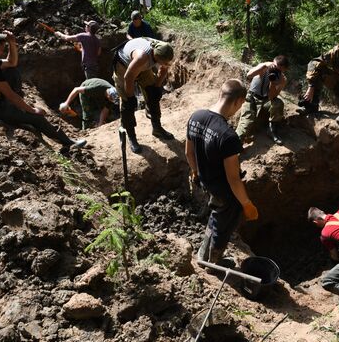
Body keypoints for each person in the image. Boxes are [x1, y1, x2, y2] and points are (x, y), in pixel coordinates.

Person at [0, 29, 86, 152]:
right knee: (36, 118)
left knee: (12, 71)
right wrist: (33, 110)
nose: (2, 51)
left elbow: (12, 63)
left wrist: (12, 43)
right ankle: (67, 143)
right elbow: (11, 95)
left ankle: (16, 108)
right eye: (2, 47)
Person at [186, 79, 259, 265]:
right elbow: (233, 179)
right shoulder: (228, 136)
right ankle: (213, 263)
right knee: (224, 227)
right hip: (225, 192)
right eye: (241, 105)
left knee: (216, 214)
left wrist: (195, 172)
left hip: (206, 182)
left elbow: (189, 152)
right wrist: (246, 203)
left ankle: (203, 254)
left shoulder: (196, 117)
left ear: (221, 93)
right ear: (238, 101)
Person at [113, 37, 175, 153]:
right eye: (163, 63)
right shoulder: (142, 57)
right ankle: (131, 137)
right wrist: (131, 97)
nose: (166, 64)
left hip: (143, 66)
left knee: (153, 93)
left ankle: (157, 128)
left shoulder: (165, 51)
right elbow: (128, 77)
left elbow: (163, 69)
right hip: (123, 67)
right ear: (156, 57)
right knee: (128, 104)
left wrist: (156, 88)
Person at [236, 55, 289, 145]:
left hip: (266, 101)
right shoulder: (264, 68)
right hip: (252, 98)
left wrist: (272, 82)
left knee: (278, 103)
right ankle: (234, 143)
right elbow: (249, 75)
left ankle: (272, 129)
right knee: (246, 123)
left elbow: (272, 97)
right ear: (273, 63)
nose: (276, 71)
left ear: (284, 70)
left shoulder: (282, 79)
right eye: (275, 67)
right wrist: (264, 66)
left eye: (280, 70)